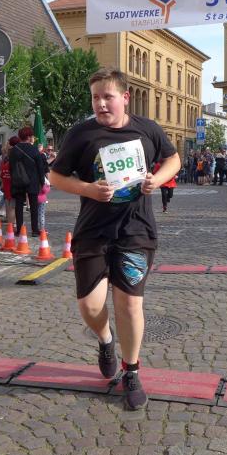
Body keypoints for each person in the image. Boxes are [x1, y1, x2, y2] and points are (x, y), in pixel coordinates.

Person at [49, 68, 180, 411]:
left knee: (130, 303)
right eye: (95, 97)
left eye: (107, 97)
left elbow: (173, 158)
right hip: (93, 231)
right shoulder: (81, 134)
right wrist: (88, 189)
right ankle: (106, 340)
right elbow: (56, 176)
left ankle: (131, 371)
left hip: (136, 231)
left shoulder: (147, 129)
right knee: (90, 306)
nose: (101, 104)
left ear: (125, 97)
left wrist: (157, 180)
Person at [9, 126, 47, 236]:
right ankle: (35, 230)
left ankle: (19, 229)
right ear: (29, 137)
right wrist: (42, 182)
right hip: (32, 181)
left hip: (18, 181)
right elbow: (40, 168)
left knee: (19, 206)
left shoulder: (14, 150)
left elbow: (11, 167)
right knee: (34, 206)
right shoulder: (34, 149)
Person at [0, 136, 20, 223]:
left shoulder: (7, 155)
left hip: (6, 181)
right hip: (13, 182)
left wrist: (1, 181)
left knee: (8, 202)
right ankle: (12, 224)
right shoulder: (17, 153)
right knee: (12, 205)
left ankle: (10, 223)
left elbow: (2, 170)